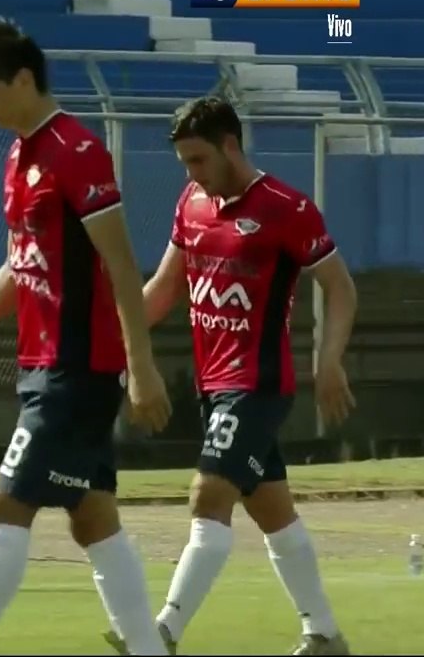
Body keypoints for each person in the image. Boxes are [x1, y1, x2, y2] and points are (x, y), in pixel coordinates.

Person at [0, 21, 173, 656]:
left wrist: (141, 367)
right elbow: (18, 268)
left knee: (7, 508)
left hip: (76, 369)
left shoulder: (76, 152)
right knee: (92, 517)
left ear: (24, 80)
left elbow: (120, 263)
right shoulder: (20, 155)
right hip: (45, 364)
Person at [106, 97, 357, 656]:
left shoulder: (285, 208)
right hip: (212, 386)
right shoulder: (192, 201)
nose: (191, 174)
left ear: (229, 146)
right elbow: (166, 289)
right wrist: (111, 342)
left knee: (209, 492)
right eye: (184, 164)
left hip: (258, 385)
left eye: (198, 160)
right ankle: (324, 634)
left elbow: (340, 287)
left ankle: (160, 633)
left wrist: (329, 357)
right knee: (272, 510)